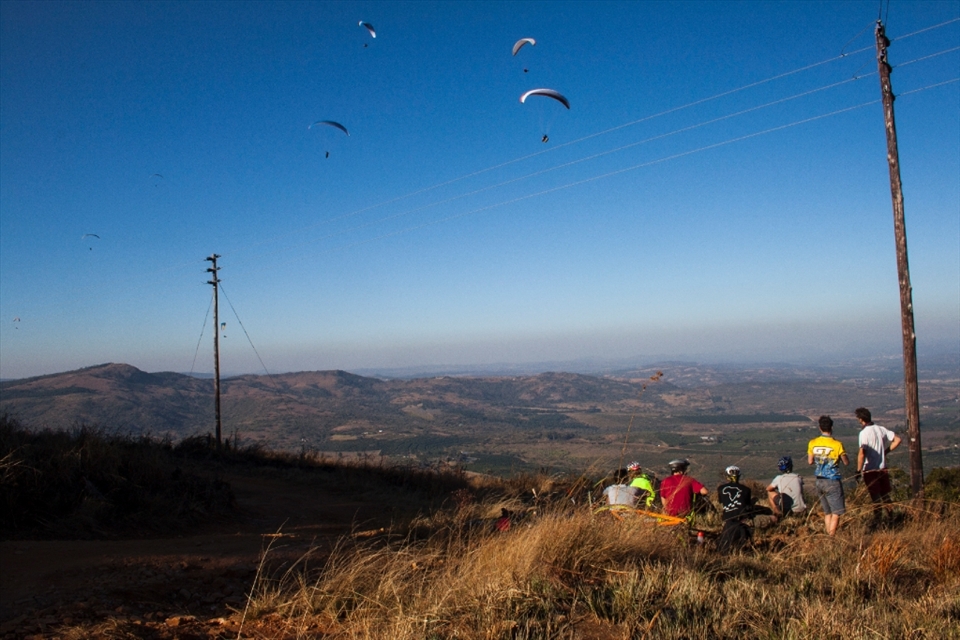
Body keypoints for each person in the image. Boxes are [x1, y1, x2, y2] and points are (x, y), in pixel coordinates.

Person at [855, 407, 902, 528]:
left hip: (870, 469)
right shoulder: (881, 429)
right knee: (886, 496)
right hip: (882, 468)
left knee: (875, 498)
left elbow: (862, 453)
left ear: (861, 419)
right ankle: (892, 520)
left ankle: (877, 522)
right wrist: (885, 452)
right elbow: (897, 440)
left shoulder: (864, 433)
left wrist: (858, 470)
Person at [807, 415, 849, 536]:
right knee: (837, 512)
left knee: (827, 512)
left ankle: (828, 535)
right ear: (831, 427)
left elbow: (810, 461)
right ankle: (831, 537)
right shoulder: (837, 444)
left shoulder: (813, 443)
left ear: (820, 428)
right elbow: (846, 462)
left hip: (819, 480)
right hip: (832, 480)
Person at [716, 465, 753, 553]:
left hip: (727, 519)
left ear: (727, 476)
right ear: (739, 476)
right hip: (741, 520)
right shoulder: (747, 490)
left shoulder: (721, 489)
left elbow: (721, 502)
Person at [766, 456, 806, 522]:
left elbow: (768, 489)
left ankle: (777, 512)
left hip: (786, 510)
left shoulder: (779, 478)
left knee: (770, 492)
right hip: (801, 509)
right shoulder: (798, 477)